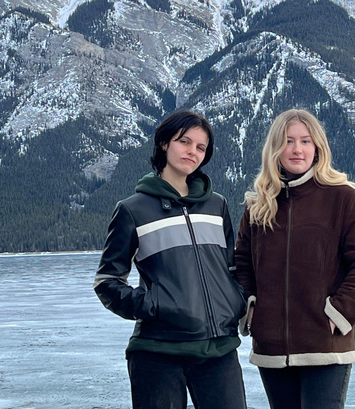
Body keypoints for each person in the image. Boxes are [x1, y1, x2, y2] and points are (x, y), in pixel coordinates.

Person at [94, 110, 247, 409]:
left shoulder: (217, 206)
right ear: (164, 143)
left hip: (219, 351)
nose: (192, 151)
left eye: (201, 147)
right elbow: (107, 282)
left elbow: (232, 267)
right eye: (184, 141)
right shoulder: (132, 210)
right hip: (157, 353)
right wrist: (155, 306)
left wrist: (235, 301)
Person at [235, 108, 355, 409]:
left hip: (324, 346)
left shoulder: (341, 198)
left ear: (317, 148)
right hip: (271, 348)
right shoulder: (258, 207)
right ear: (275, 149)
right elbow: (242, 264)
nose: (297, 149)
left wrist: (337, 313)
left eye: (305, 141)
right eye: (288, 141)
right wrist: (251, 307)